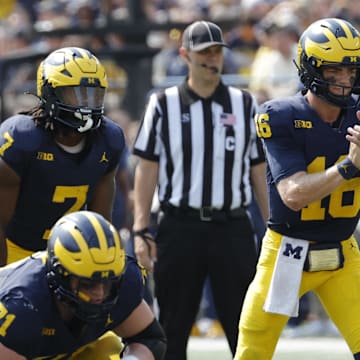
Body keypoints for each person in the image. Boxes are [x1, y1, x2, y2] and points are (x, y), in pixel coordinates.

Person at [132, 20, 268, 359]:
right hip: (180, 226)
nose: (212, 58)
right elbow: (147, 166)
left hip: (231, 227)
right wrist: (139, 228)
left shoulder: (244, 103)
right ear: (185, 55)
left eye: (216, 51)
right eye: (204, 51)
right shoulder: (163, 104)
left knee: (245, 327)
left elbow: (258, 169)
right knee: (173, 328)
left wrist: (273, 227)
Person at [234, 18, 360, 359]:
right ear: (311, 68)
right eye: (335, 70)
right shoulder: (281, 115)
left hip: (344, 252)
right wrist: (349, 167)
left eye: (352, 69)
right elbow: (293, 194)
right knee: (253, 349)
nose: (346, 80)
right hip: (288, 253)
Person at [0, 46, 126, 266]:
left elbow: (101, 224)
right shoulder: (23, 139)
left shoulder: (108, 140)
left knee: (132, 293)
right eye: (76, 94)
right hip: (15, 251)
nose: (87, 105)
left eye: (93, 95)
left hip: (72, 254)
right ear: (50, 92)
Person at [0, 210, 166, 359]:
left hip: (66, 347)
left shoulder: (124, 281)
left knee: (107, 350)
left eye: (107, 283)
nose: (100, 293)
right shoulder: (21, 305)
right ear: (60, 275)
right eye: (88, 284)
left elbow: (150, 338)